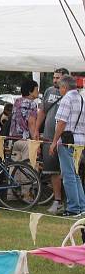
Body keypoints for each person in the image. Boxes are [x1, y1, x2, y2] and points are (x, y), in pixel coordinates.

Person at [50, 75, 85, 217]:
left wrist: (53, 142)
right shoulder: (81, 99)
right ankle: (82, 206)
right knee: (75, 175)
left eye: (60, 88)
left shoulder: (66, 99)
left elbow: (61, 123)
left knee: (68, 175)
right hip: (80, 142)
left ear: (64, 87)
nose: (59, 90)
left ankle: (73, 208)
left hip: (66, 141)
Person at [38, 68, 69, 214]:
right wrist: (36, 130)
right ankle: (57, 201)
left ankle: (69, 201)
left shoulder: (70, 94)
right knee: (52, 171)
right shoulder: (49, 91)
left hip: (64, 140)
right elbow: (43, 111)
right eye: (54, 77)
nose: (55, 80)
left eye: (58, 78)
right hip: (48, 137)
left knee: (67, 171)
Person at [10, 80, 40, 163]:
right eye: (36, 89)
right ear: (30, 92)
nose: (38, 92)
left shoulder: (17, 101)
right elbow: (31, 123)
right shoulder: (32, 104)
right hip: (25, 141)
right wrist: (36, 143)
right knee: (27, 168)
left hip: (13, 139)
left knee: (14, 169)